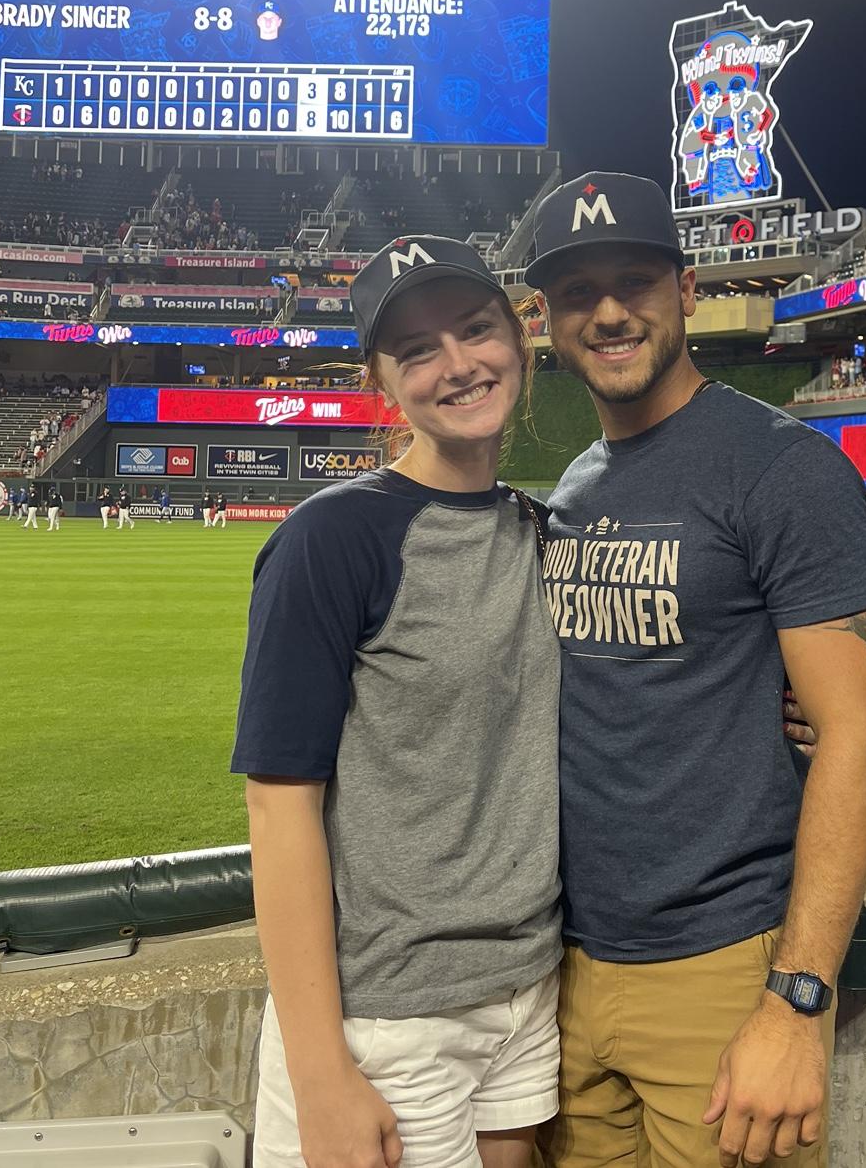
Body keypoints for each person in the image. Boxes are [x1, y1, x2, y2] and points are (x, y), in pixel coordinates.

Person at [525, 173, 866, 1168]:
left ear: (686, 290)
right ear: (547, 319)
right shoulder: (575, 484)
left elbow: (856, 732)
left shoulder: (782, 466)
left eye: (634, 280)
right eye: (577, 293)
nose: (607, 311)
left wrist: (798, 995)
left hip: (721, 976)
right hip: (566, 973)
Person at [233, 234, 563, 1168]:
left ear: (518, 340)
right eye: (418, 351)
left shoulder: (540, 530)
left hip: (528, 990)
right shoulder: (330, 539)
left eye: (474, 330)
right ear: (384, 382)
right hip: (386, 1023)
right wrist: (320, 1072)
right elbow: (277, 801)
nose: (458, 365)